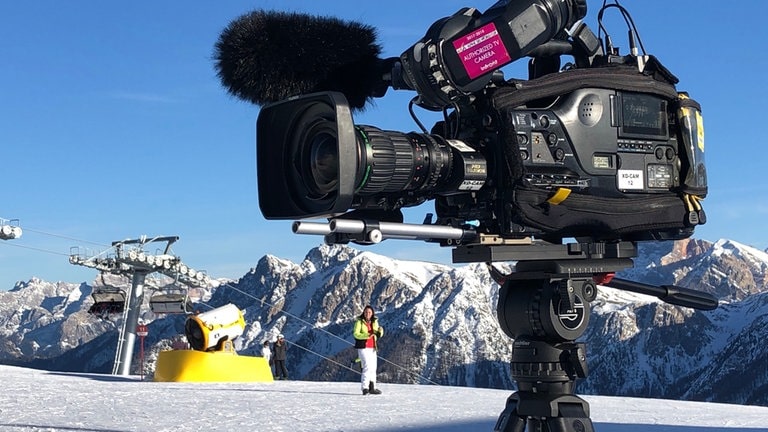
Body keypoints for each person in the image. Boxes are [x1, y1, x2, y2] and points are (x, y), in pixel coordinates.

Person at [353, 305, 384, 395]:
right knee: (366, 366)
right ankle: (365, 388)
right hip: (363, 347)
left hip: (373, 347)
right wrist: (366, 335)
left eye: (369, 312)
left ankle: (372, 387)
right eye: (366, 312)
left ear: (372, 313)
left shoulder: (374, 322)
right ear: (363, 312)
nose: (368, 314)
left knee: (373, 368)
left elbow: (377, 334)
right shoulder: (359, 322)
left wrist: (380, 332)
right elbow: (356, 334)